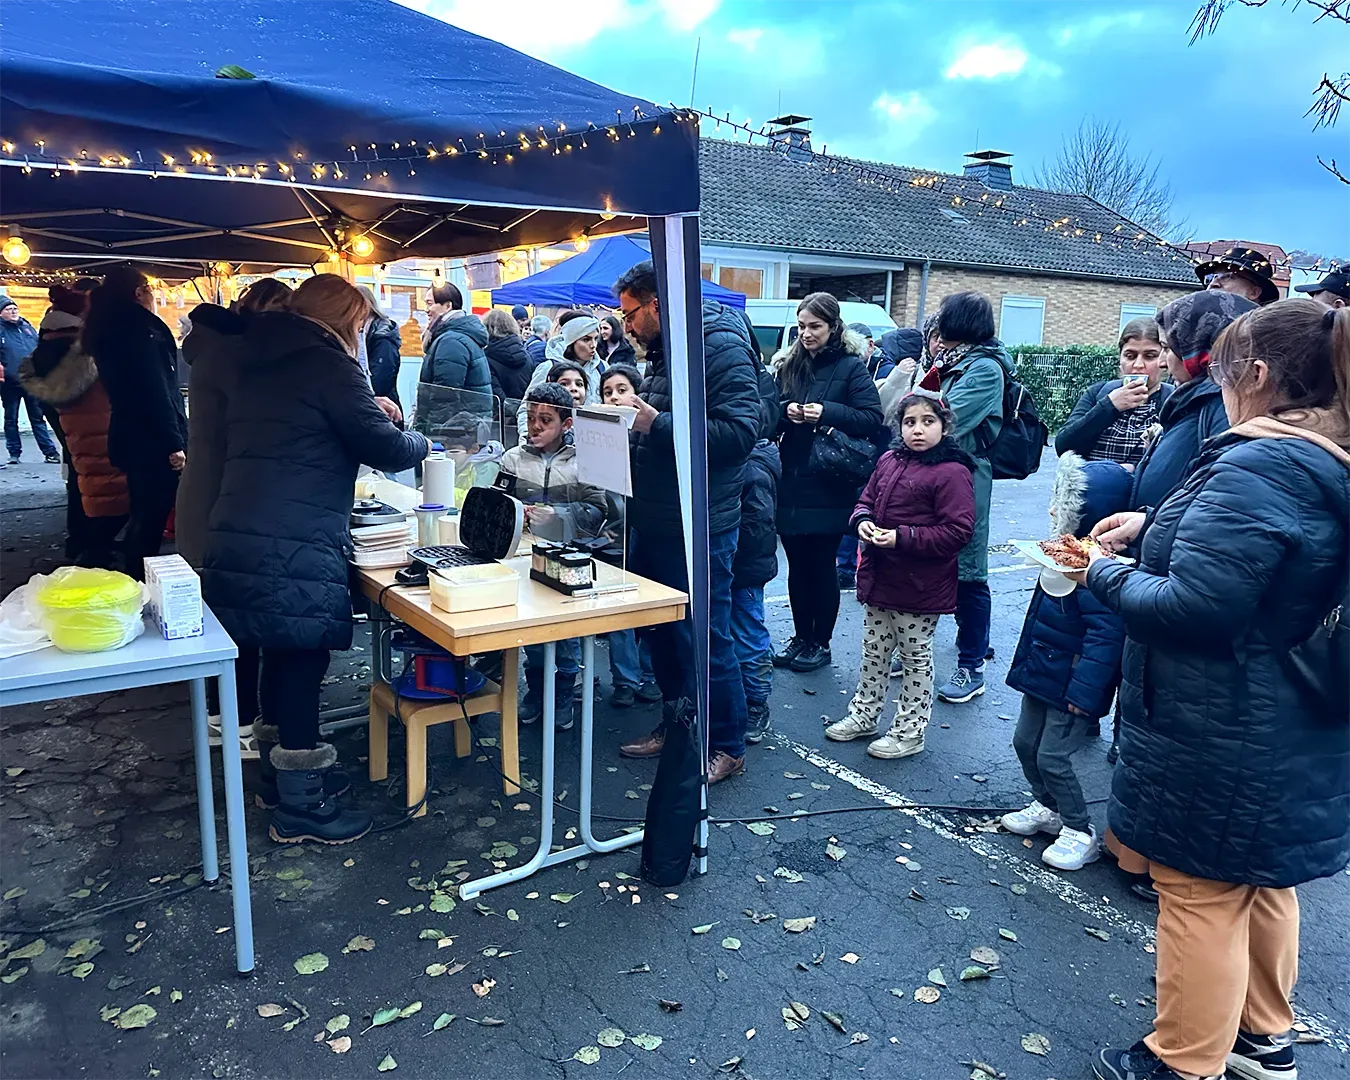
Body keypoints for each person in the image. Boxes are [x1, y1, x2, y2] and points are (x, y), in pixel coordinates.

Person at [1078, 299, 1350, 1080]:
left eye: (1223, 370)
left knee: (1198, 891)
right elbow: (1264, 560)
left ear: (1256, 375)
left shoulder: (1260, 464)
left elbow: (1195, 608)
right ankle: (1264, 1038)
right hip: (1293, 716)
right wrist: (1153, 524)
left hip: (1224, 721)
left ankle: (1182, 1061)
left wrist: (1100, 573)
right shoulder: (1321, 456)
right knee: (1261, 883)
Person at [202, 275, 429, 844]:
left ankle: (279, 781)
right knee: (302, 660)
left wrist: (366, 410)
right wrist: (420, 440)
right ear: (347, 319)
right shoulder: (327, 362)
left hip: (244, 526)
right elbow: (384, 447)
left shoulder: (258, 356)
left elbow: (305, 428)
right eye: (362, 323)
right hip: (293, 536)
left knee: (279, 654)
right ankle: (303, 808)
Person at [611, 261, 760, 783]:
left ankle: (727, 744)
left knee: (705, 637)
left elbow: (739, 433)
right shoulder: (664, 347)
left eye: (630, 313)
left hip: (698, 524)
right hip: (656, 517)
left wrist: (656, 424)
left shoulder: (717, 343)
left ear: (656, 303)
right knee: (663, 633)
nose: (626, 325)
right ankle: (678, 728)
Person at [173, 278, 293, 760]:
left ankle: (227, 718)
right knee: (234, 619)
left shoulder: (215, 350)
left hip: (211, 493)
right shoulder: (234, 358)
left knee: (227, 614)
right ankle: (234, 724)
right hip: (222, 499)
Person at [825, 393, 974, 758]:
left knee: (914, 657)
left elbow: (958, 531)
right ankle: (864, 715)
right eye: (910, 422)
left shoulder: (952, 471)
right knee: (874, 651)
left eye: (928, 421)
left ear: (944, 426)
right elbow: (866, 500)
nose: (918, 430)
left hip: (920, 585)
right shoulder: (889, 459)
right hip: (881, 577)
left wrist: (901, 537)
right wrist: (862, 521)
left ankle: (910, 731)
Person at [1000, 452, 1130, 870]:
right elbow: (1037, 618)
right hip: (1041, 672)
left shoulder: (1102, 572)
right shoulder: (1058, 555)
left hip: (1072, 683)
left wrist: (1085, 696)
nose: (1054, 511)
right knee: (1024, 743)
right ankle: (1047, 806)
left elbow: (1105, 639)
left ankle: (1078, 829)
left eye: (1065, 504)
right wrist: (1023, 667)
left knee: (1052, 757)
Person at [772, 294, 884, 674]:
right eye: (802, 326)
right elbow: (768, 412)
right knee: (796, 567)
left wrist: (827, 413)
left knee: (821, 566)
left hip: (830, 480)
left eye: (815, 327)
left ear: (834, 327)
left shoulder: (851, 367)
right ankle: (801, 637)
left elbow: (872, 419)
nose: (806, 334)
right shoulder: (789, 365)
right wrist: (784, 411)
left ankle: (820, 642)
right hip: (792, 479)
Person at [916, 291, 1015, 704]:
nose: (938, 325)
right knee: (927, 565)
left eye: (944, 317)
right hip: (932, 474)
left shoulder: (985, 368)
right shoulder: (948, 361)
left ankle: (971, 665)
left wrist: (914, 420)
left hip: (965, 478)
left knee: (969, 572)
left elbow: (944, 421)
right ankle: (914, 649)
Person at [498, 382, 606, 730]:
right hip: (526, 557)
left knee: (566, 636)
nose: (535, 426)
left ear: (566, 424)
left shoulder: (583, 462)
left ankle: (563, 693)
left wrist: (559, 515)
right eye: (531, 417)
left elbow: (598, 511)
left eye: (545, 420)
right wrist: (516, 511)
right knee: (533, 632)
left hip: (570, 558)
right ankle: (536, 690)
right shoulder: (513, 458)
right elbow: (497, 503)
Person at [81, 266, 189, 579]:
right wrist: (173, 443)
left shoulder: (109, 324)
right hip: (150, 438)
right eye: (151, 289)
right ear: (139, 292)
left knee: (145, 509)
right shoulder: (140, 329)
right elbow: (155, 390)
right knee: (150, 514)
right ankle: (137, 579)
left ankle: (131, 573)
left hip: (131, 432)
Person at [19, 282, 127, 566]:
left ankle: (81, 540)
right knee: (105, 482)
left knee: (82, 476)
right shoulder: (84, 349)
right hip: (96, 420)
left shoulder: (46, 344)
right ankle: (94, 549)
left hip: (69, 421)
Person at [1130, 291, 1257, 514]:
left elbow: (1222, 501)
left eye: (1167, 348)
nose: (1161, 363)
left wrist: (1150, 520)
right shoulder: (1195, 397)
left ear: (1198, 345)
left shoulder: (1225, 405)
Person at [732, 351, 783, 745]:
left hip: (745, 567)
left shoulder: (753, 466)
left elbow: (757, 528)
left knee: (748, 635)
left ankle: (756, 703)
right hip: (735, 564)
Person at [1055, 317, 1172, 466]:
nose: (1138, 365)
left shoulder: (1173, 400)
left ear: (1163, 360)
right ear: (1120, 359)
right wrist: (1110, 406)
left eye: (1149, 356)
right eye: (1130, 356)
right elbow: (1063, 445)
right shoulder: (1099, 393)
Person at [0, 294, 60, 466]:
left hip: (31, 380)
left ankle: (50, 452)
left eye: (15, 308)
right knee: (11, 419)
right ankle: (14, 453)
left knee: (38, 417)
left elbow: (37, 347)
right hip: (10, 383)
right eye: (8, 309)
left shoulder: (26, 326)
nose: (13, 311)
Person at [419, 281, 491, 398]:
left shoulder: (451, 341)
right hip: (468, 409)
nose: (426, 309)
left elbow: (445, 396)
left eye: (430, 303)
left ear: (448, 306)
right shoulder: (455, 335)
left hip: (460, 410)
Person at [357, 287, 404, 418]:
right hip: (378, 406)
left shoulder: (383, 336)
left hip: (385, 410)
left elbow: (381, 378)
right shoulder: (368, 332)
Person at [1193, 245, 1280, 306]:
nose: (1212, 284)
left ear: (1254, 292)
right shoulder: (1192, 321)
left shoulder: (1263, 327)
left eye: (1227, 276)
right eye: (1211, 277)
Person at [482, 308, 534, 404]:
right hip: (524, 409)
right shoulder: (527, 356)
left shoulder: (486, 358)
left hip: (502, 411)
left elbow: (496, 396)